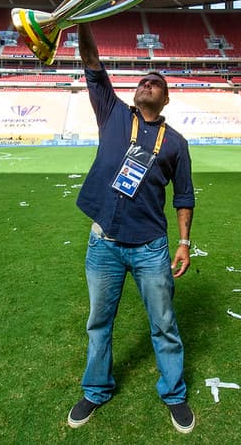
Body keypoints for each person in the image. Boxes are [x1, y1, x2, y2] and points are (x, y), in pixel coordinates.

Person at [66, 22, 196, 434]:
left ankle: (174, 394)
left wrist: (185, 242)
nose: (146, 83)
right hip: (103, 242)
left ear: (166, 97)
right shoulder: (113, 114)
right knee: (98, 323)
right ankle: (95, 389)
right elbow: (90, 60)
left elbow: (184, 196)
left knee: (164, 324)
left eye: (155, 82)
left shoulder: (175, 143)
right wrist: (82, 18)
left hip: (151, 248)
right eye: (142, 80)